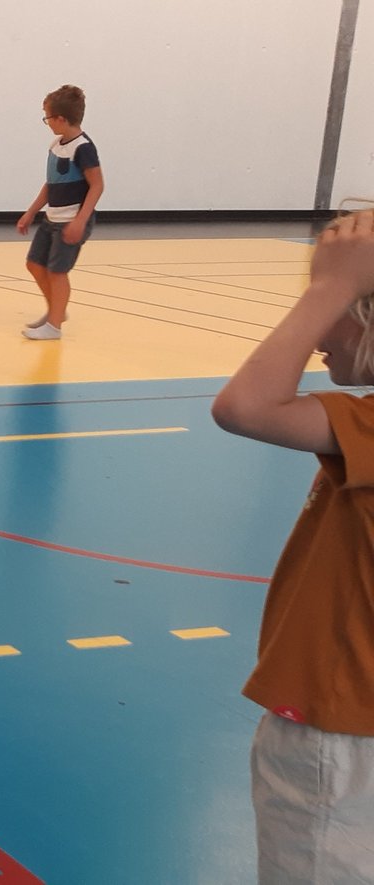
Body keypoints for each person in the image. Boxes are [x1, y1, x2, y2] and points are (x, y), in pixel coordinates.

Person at [210, 209, 374, 883]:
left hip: (337, 735)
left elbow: (244, 405)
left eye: (332, 308)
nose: (312, 339)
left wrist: (327, 287)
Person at [16, 85, 104, 340]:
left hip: (71, 220)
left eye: (48, 118)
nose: (47, 123)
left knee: (57, 271)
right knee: (34, 264)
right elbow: (50, 183)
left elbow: (97, 185)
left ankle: (54, 325)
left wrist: (80, 220)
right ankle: (57, 309)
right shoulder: (56, 144)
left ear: (61, 119)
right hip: (51, 217)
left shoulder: (84, 148)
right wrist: (31, 211)